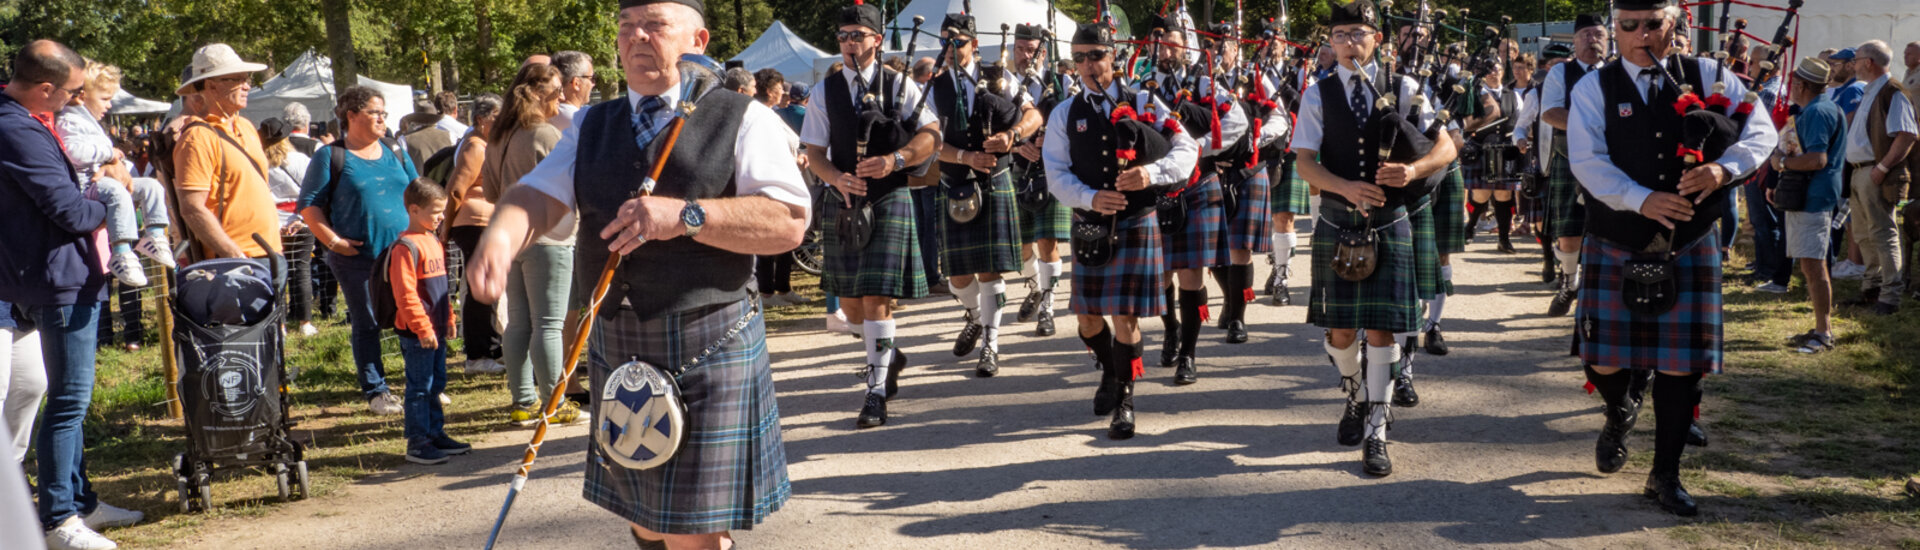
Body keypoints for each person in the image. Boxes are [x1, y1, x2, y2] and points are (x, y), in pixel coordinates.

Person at [468, 0, 805, 545]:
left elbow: (788, 221)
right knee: (644, 513)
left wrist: (687, 216)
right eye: (627, 27)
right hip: (619, 337)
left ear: (697, 39)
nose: (637, 37)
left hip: (709, 333)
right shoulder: (590, 123)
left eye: (655, 25)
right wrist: (501, 238)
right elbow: (539, 194)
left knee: (693, 529)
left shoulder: (743, 116)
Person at [1566, 0, 1776, 516]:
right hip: (1617, 234)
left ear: (1673, 24)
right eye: (1627, 25)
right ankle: (1619, 409)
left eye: (1652, 24)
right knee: (1604, 359)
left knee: (1682, 370)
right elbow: (1586, 160)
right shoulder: (1594, 87)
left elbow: (1762, 131)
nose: (1640, 35)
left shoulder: (1709, 74)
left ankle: (1665, 475)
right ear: (1616, 28)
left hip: (1690, 238)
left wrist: (1724, 171)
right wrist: (1642, 198)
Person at [1292, 0, 1456, 477]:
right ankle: (1355, 392)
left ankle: (1377, 430)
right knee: (1341, 334)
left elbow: (1445, 145)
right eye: (1338, 35)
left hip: (1390, 220)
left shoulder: (1403, 87)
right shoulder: (1317, 94)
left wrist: (1413, 168)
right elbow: (1304, 160)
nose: (1347, 43)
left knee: (1383, 330)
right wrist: (1342, 186)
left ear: (1377, 39)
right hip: (1339, 219)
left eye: (1357, 33)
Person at [0, 39, 143, 550]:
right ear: (44, 88)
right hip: (58, 279)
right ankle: (59, 519)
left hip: (59, 274)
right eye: (71, 92)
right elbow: (71, 213)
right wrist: (115, 195)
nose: (76, 101)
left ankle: (79, 502)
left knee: (58, 398)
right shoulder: (16, 128)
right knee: (68, 402)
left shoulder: (27, 121)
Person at [1047, 20, 1197, 439]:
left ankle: (1126, 400)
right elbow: (1056, 174)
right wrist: (1089, 197)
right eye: (1079, 58)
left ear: (1114, 57)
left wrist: (1151, 173)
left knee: (1125, 318)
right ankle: (1111, 372)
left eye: (1095, 55)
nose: (1088, 65)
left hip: (1135, 221)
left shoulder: (1146, 101)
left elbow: (1188, 148)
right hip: (1090, 225)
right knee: (1088, 321)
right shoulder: (1065, 113)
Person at [803, 0, 942, 429]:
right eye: (843, 36)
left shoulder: (898, 85)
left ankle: (875, 392)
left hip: (888, 196)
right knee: (851, 307)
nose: (848, 43)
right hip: (845, 203)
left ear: (876, 41)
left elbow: (931, 134)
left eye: (857, 36)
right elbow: (814, 153)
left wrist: (896, 160)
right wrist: (836, 180)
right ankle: (890, 355)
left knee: (877, 301)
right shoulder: (824, 91)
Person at [929, 10, 1042, 377]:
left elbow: (1033, 115)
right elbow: (928, 143)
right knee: (958, 276)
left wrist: (1013, 136)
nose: (950, 48)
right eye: (945, 41)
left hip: (995, 181)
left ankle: (991, 345)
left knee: (989, 271)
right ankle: (975, 316)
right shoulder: (933, 85)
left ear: (973, 45)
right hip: (955, 183)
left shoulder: (999, 78)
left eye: (957, 42)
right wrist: (965, 156)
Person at [1137, 13, 1247, 384]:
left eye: (1172, 42)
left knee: (1191, 274)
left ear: (1186, 44)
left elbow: (1238, 123)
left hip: (1199, 184)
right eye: (1160, 43)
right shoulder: (1141, 84)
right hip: (1157, 187)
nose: (1167, 49)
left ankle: (1188, 354)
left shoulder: (1204, 81)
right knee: (1160, 272)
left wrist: (1193, 150)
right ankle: (1171, 330)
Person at [299, 85, 420, 415]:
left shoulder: (395, 149)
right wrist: (334, 241)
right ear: (351, 115)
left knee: (411, 317)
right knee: (367, 322)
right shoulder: (331, 156)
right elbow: (310, 206)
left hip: (403, 254)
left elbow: (417, 193)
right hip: (357, 259)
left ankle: (421, 387)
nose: (382, 119)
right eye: (375, 112)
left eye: (384, 113)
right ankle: (377, 391)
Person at [481, 63, 582, 426]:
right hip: (548, 236)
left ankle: (523, 401)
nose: (562, 99)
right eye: (557, 93)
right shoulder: (544, 135)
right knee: (549, 325)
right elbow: (571, 187)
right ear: (539, 94)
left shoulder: (498, 136)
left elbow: (490, 191)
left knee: (519, 322)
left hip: (509, 234)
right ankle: (553, 402)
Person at [57, 60, 175, 287]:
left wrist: (121, 165)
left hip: (101, 181)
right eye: (104, 99)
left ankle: (155, 234)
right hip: (87, 185)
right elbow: (72, 151)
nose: (109, 105)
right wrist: (109, 152)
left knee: (152, 187)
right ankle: (121, 250)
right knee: (115, 191)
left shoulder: (90, 122)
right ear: (82, 96)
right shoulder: (69, 119)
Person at [1208, 22, 1288, 347]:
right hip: (1209, 171)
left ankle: (1238, 319)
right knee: (1212, 252)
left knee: (1239, 249)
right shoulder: (1199, 81)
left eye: (1222, 46)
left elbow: (1280, 119)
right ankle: (1231, 299)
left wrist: (1253, 139)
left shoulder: (1256, 76)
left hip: (1248, 170)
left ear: (1235, 48)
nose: (1217, 52)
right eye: (1212, 46)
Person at [172, 43, 282, 261]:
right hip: (234, 262)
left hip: (269, 253)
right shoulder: (198, 137)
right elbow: (192, 208)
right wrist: (234, 254)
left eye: (246, 79)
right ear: (212, 86)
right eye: (238, 79)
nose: (247, 86)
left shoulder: (246, 126)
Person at [387, 178, 471, 465]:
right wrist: (422, 328)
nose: (441, 217)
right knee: (419, 386)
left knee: (436, 384)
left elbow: (442, 287)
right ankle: (418, 440)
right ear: (413, 209)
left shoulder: (434, 240)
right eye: (436, 212)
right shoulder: (405, 247)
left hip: (436, 329)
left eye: (442, 211)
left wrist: (448, 316)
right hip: (418, 332)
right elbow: (406, 294)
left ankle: (435, 434)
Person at [1836, 40, 1918, 315]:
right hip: (1862, 170)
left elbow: (1907, 134)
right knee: (1863, 234)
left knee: (1883, 233)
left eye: (1857, 59)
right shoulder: (1874, 90)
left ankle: (1889, 296)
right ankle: (1871, 289)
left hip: (1874, 171)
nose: (1854, 65)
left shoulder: (1892, 91)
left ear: (1869, 63)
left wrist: (1882, 168)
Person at [1776, 57, 1848, 353]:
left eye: (1793, 83)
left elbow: (1817, 159)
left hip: (1814, 196)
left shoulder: (1818, 111)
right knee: (1810, 264)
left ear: (1802, 85)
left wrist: (1781, 162)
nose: (1790, 89)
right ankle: (1820, 327)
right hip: (1810, 194)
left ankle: (1824, 331)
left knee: (1814, 265)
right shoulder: (1821, 108)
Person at [1541, 14, 1608, 317]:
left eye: (1599, 34)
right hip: (1569, 157)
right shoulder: (1561, 74)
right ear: (1575, 40)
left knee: (1608, 228)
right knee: (1568, 231)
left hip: (1611, 161)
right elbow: (1551, 113)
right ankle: (1569, 281)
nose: (1593, 40)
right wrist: (1593, 126)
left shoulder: (1618, 73)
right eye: (1586, 35)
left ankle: (1599, 291)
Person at [1009, 23, 1072, 337]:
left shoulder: (1061, 82)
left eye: (1030, 50)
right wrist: (1017, 144)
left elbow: (1073, 124)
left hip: (1051, 171)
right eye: (1019, 49)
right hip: (1016, 169)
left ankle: (1047, 308)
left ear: (1043, 53)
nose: (1024, 56)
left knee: (1047, 244)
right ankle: (1035, 286)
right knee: (1020, 247)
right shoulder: (1004, 84)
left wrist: (1050, 143)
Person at [443, 93, 505, 374]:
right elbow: (456, 190)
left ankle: (490, 346)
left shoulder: (484, 145)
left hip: (483, 222)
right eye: (497, 118)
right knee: (480, 288)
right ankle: (477, 354)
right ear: (481, 120)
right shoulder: (475, 147)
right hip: (474, 223)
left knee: (487, 286)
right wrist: (445, 228)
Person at [258, 117, 322, 336]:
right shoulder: (300, 159)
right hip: (300, 219)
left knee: (277, 274)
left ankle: (281, 324)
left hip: (272, 221)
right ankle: (305, 322)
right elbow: (311, 190)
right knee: (301, 270)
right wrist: (303, 219)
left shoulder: (257, 162)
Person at [752, 68, 802, 306]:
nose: (784, 92)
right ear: (771, 91)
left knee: (787, 238)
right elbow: (764, 150)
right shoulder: (757, 115)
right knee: (769, 241)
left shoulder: (772, 113)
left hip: (786, 182)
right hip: (769, 185)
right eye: (781, 88)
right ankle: (766, 291)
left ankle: (783, 287)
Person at [549, 50, 595, 130]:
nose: (593, 84)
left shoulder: (538, 116)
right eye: (591, 79)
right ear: (576, 83)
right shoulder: (580, 121)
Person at [1827, 48, 1866, 115]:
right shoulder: (1844, 89)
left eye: (1834, 64)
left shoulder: (1853, 89)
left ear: (1848, 66)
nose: (1831, 68)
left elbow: (1849, 122)